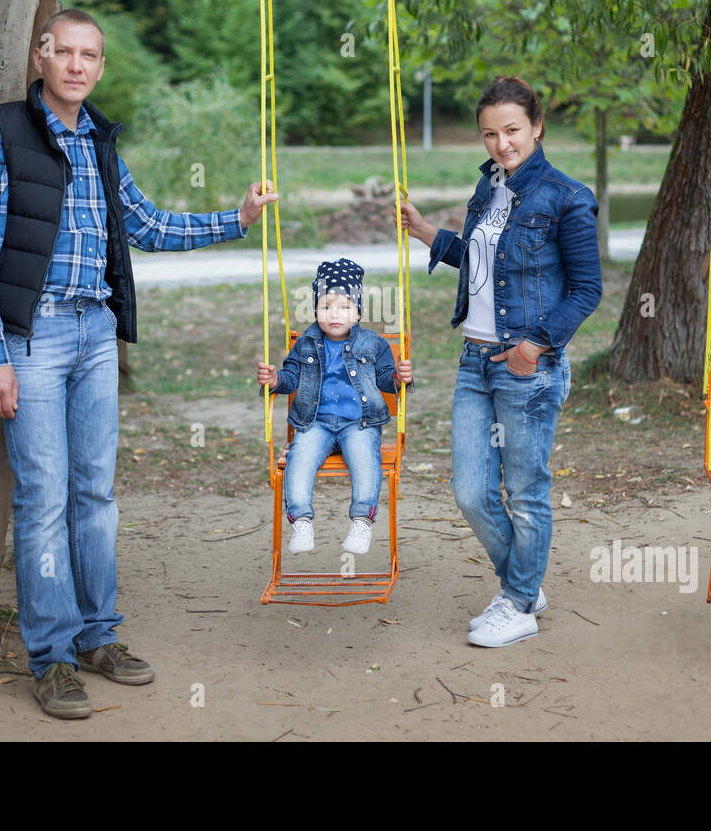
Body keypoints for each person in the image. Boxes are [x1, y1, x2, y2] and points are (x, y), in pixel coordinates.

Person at [0, 8, 277, 719]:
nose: (74, 65)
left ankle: (100, 636)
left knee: (95, 493)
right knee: (44, 497)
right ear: (40, 59)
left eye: (88, 55)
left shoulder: (100, 141)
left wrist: (237, 220)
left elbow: (148, 225)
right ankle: (53, 658)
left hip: (96, 335)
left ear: (100, 67)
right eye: (62, 52)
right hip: (30, 340)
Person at [400, 75, 602, 648]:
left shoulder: (567, 196)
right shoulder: (489, 189)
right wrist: (425, 233)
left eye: (512, 130)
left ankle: (518, 604)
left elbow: (587, 289)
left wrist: (535, 345)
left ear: (537, 127)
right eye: (490, 134)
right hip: (474, 360)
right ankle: (523, 584)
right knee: (471, 490)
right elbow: (483, 261)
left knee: (526, 489)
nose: (501, 144)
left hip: (525, 366)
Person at [256, 259, 413, 556]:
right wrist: (275, 379)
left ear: (357, 311)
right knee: (299, 456)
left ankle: (361, 521)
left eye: (343, 306)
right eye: (326, 306)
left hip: (360, 424)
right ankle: (300, 520)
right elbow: (290, 378)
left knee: (365, 458)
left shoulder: (373, 344)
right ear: (315, 310)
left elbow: (385, 379)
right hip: (315, 422)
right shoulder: (305, 343)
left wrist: (398, 377)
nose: (334, 314)